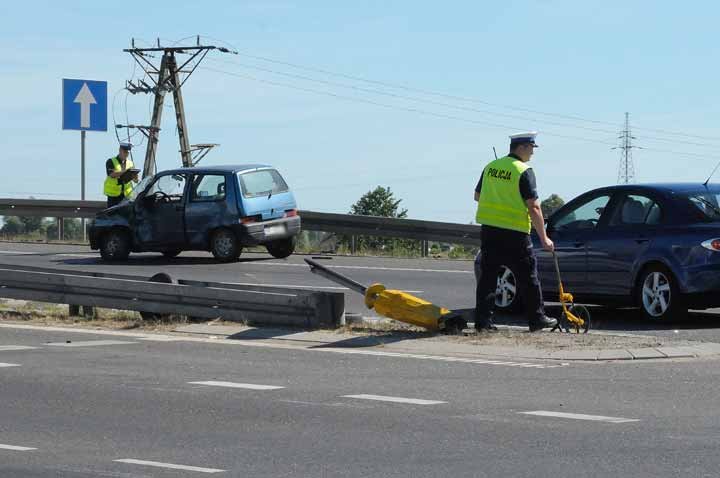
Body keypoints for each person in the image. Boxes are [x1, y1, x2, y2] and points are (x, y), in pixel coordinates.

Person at [473, 132, 558, 332]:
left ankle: (483, 324)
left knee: (488, 278)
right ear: (522, 147)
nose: (532, 153)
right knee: (528, 277)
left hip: (490, 231)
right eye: (531, 148)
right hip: (515, 233)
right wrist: (544, 237)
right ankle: (537, 319)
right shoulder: (523, 170)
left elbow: (477, 196)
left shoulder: (491, 167)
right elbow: (534, 207)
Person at [104, 143, 138, 208]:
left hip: (126, 195)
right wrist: (126, 172)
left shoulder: (130, 163)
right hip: (113, 196)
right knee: (112, 215)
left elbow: (135, 181)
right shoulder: (111, 161)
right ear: (120, 150)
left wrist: (135, 177)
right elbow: (112, 174)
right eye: (125, 152)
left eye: (127, 152)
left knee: (125, 216)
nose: (126, 154)